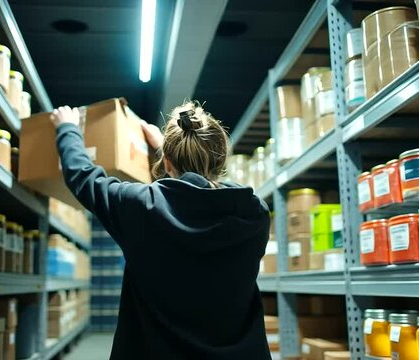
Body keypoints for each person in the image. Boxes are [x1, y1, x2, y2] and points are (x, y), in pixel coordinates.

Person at [51, 101, 271, 360]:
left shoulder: (139, 206)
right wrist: (168, 154)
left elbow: (84, 177)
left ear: (167, 164)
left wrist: (68, 129)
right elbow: (206, 193)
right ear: (221, 158)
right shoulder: (255, 215)